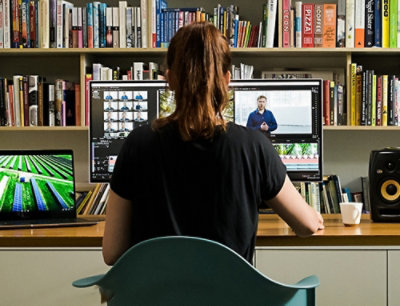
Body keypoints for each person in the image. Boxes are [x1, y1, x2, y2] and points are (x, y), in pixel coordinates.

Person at [103, 22, 323, 266]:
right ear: (227, 80)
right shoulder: (253, 145)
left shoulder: (138, 144)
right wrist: (315, 216)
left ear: (170, 79)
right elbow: (307, 226)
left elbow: (112, 252)